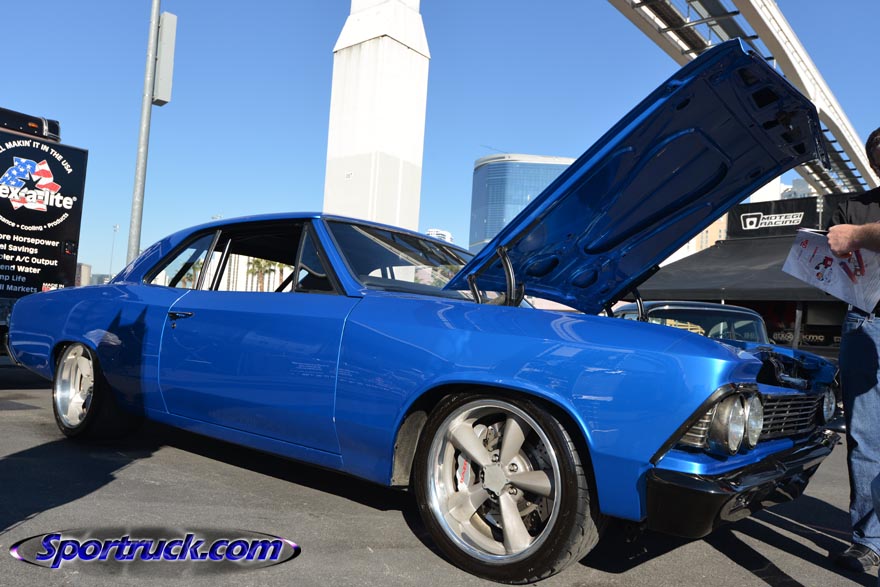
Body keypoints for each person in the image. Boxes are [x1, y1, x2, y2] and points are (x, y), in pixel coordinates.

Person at [828, 127, 880, 575]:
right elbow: (827, 260)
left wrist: (859, 235)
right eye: (877, 150)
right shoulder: (849, 205)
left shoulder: (855, 223)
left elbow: (851, 239)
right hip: (865, 320)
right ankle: (869, 540)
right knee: (865, 438)